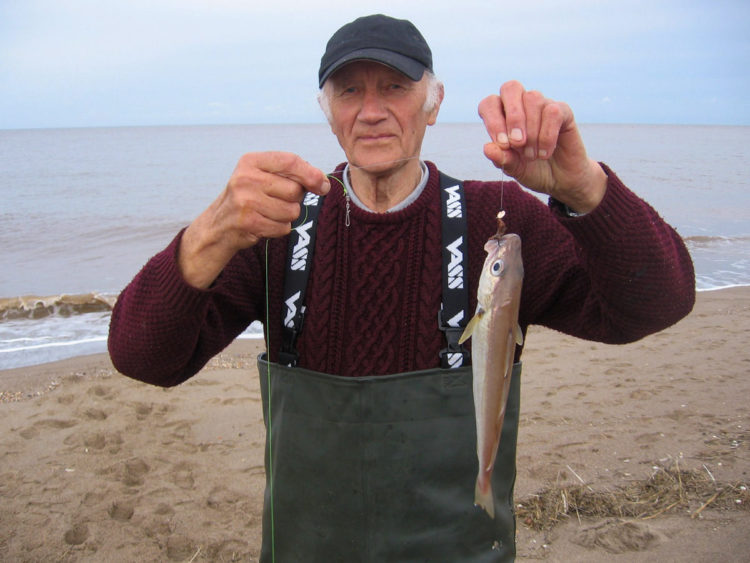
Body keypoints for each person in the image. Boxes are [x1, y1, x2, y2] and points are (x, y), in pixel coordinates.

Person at [108, 14, 695, 562]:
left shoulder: (500, 223)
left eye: (394, 87)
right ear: (328, 111)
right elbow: (143, 358)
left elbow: (656, 305)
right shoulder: (276, 229)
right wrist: (207, 233)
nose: (371, 110)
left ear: (433, 104)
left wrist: (585, 189)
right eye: (349, 91)